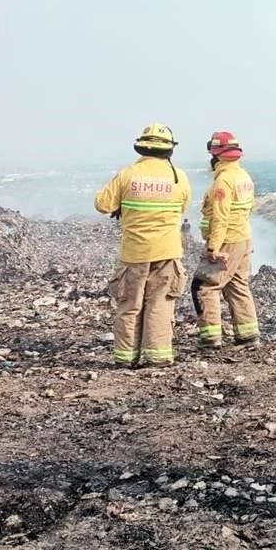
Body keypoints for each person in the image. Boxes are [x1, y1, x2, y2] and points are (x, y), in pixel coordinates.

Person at [94, 123, 192, 367]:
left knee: (129, 304)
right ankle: (158, 357)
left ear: (141, 147)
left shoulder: (127, 174)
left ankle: (125, 359)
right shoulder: (178, 177)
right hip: (168, 251)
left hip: (134, 252)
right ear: (169, 150)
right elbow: (183, 206)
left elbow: (103, 204)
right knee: (160, 304)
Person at [192, 131, 260, 349]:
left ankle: (210, 337)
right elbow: (249, 208)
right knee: (238, 285)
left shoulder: (224, 181)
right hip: (243, 238)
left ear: (216, 155)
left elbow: (221, 217)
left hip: (227, 241)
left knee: (205, 286)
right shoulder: (244, 177)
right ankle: (248, 336)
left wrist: (213, 247)